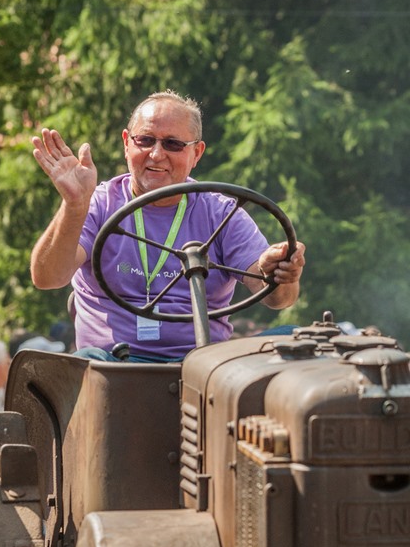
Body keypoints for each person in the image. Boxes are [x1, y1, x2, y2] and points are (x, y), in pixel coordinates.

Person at [30, 90, 306, 362]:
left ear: (196, 153)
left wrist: (280, 271)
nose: (156, 154)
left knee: (296, 339)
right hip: (114, 366)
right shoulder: (98, 203)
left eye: (173, 144)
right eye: (145, 140)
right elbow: (47, 278)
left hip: (202, 366)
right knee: (87, 362)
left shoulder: (222, 213)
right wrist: (74, 205)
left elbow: (279, 299)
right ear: (127, 144)